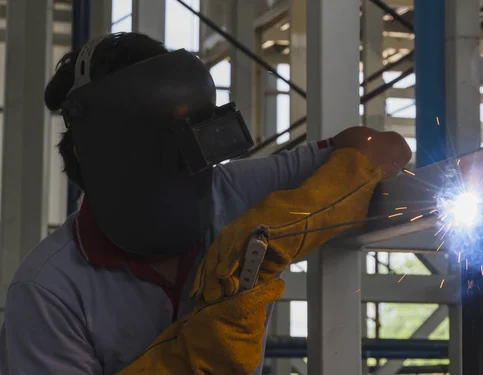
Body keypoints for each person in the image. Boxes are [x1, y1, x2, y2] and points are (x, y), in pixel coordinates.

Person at [0, 32, 411, 375]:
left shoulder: (231, 191)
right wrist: (195, 355)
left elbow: (385, 149)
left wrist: (289, 221)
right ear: (95, 155)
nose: (188, 166)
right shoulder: (47, 291)